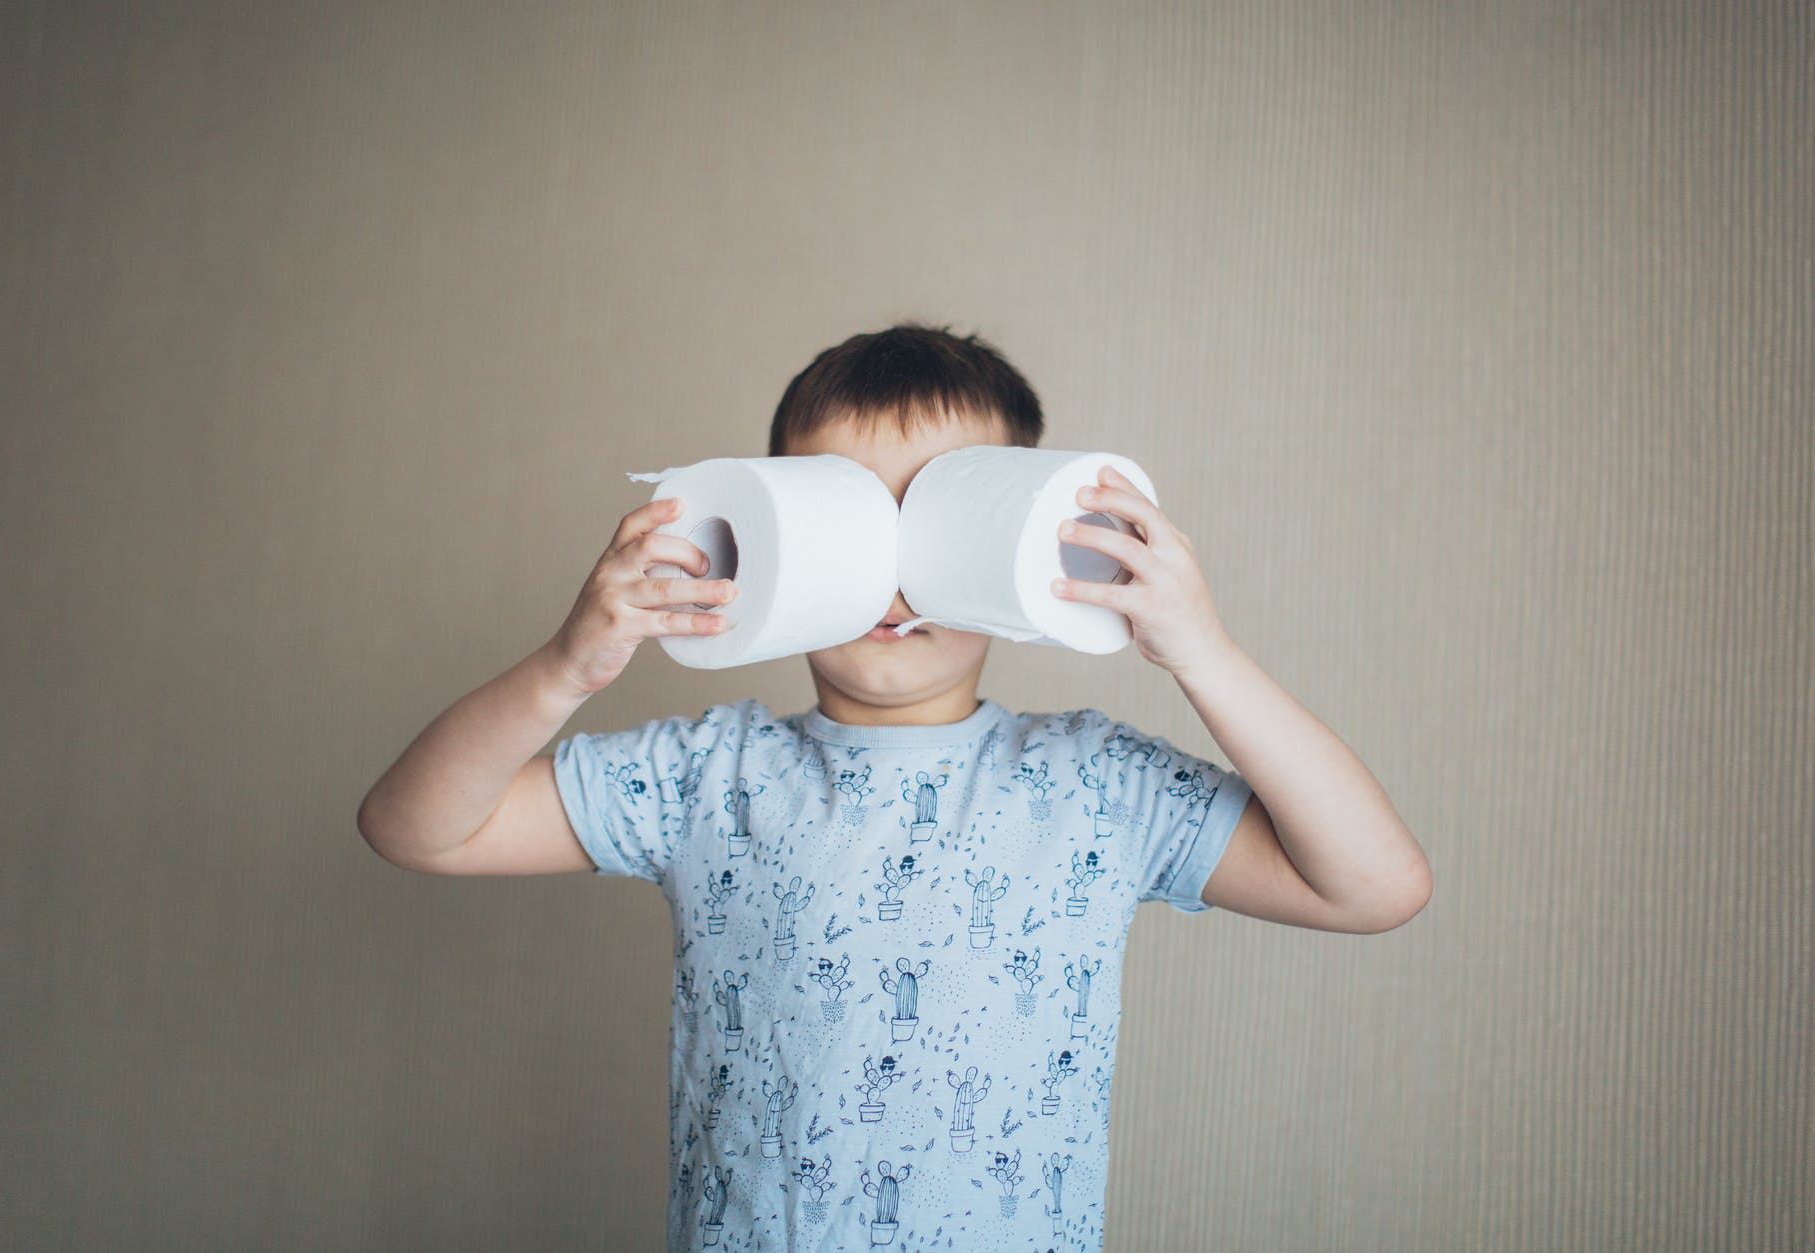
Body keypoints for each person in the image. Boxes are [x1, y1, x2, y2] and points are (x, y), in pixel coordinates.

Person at [356, 322, 1432, 1250]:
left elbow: (1372, 886)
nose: (894, 574)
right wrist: (563, 669)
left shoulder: (1094, 786)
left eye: (941, 516)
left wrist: (1205, 654)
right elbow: (417, 828)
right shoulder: (704, 777)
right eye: (851, 519)